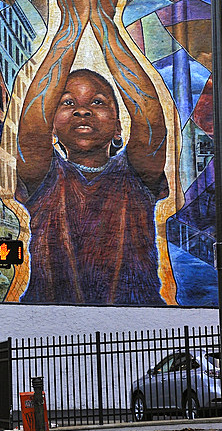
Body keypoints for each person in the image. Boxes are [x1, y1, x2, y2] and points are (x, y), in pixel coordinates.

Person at [15, 24, 169, 305]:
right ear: (52, 129)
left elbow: (151, 122)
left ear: (119, 129)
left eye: (97, 102)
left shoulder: (136, 175)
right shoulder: (45, 178)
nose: (82, 110)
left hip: (139, 319)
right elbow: (31, 128)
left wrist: (105, 25)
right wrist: (68, 30)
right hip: (49, 322)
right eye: (67, 102)